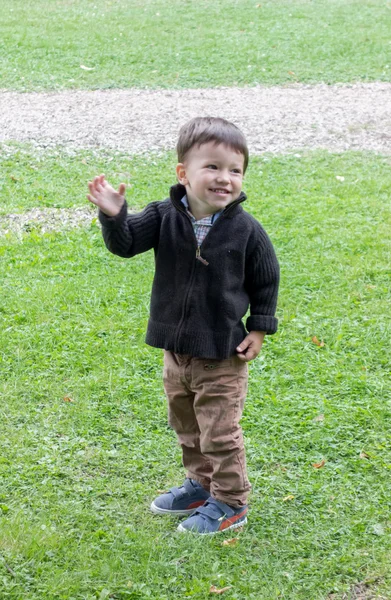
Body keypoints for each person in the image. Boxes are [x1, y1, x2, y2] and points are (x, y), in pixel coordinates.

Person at [87, 117, 280, 535]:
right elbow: (126, 245)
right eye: (212, 167)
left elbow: (266, 278)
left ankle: (230, 501)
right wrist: (114, 217)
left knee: (219, 433)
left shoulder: (247, 230)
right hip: (175, 352)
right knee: (187, 425)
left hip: (222, 356)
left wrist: (260, 327)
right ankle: (200, 484)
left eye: (234, 170)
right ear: (183, 174)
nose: (224, 178)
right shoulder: (162, 216)